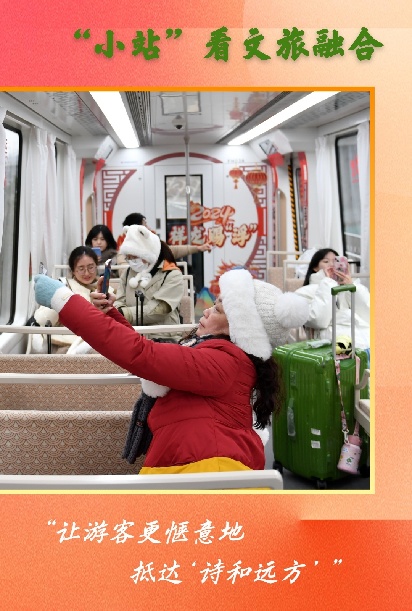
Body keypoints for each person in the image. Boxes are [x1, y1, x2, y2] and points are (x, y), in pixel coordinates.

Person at [33, 268, 309, 474]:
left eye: (218, 309)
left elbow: (143, 355)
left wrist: (63, 300)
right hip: (194, 467)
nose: (206, 312)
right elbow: (154, 360)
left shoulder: (223, 363)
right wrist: (109, 314)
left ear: (239, 327)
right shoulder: (222, 358)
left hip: (207, 475)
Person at [29, 246, 114, 354]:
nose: (87, 273)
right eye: (81, 269)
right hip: (67, 343)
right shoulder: (63, 288)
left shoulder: (108, 291)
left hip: (99, 341)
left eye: (91, 267)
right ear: (73, 270)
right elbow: (43, 320)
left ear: (96, 266)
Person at [114, 224, 184, 342]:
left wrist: (124, 314)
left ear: (148, 253)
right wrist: (118, 311)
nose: (132, 262)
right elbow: (119, 300)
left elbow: (161, 309)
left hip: (163, 337)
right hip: (132, 334)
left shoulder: (172, 274)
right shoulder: (127, 273)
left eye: (135, 257)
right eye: (128, 258)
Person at [295, 248, 370, 350]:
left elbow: (368, 314)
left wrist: (352, 286)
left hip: (363, 338)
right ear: (315, 268)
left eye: (336, 261)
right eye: (326, 261)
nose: (331, 265)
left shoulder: (347, 290)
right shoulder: (304, 292)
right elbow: (319, 321)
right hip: (335, 344)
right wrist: (328, 282)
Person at [116, 213, 212, 265]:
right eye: (145, 225)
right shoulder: (125, 252)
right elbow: (124, 271)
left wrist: (198, 248)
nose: (149, 228)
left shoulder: (154, 245)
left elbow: (172, 251)